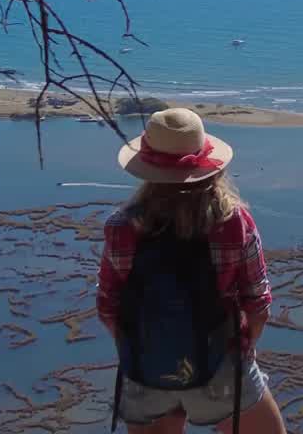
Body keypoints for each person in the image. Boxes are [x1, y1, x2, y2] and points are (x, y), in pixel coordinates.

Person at [96, 107, 288, 434]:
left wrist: (138, 347)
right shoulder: (234, 224)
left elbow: (107, 305)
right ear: (208, 165)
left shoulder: (121, 226)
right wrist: (245, 350)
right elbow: (258, 303)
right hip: (221, 368)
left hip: (144, 370)